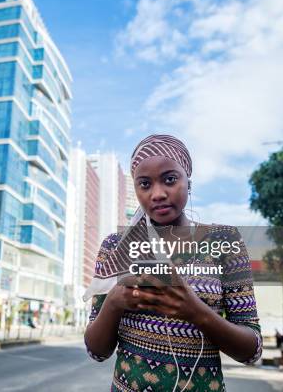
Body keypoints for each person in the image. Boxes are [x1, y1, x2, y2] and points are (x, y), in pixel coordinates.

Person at [83, 135, 262, 392]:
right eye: (144, 184)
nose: (157, 194)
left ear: (188, 181)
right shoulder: (116, 248)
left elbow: (252, 351)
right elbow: (97, 351)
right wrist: (113, 302)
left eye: (169, 179)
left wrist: (194, 311)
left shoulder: (224, 240)